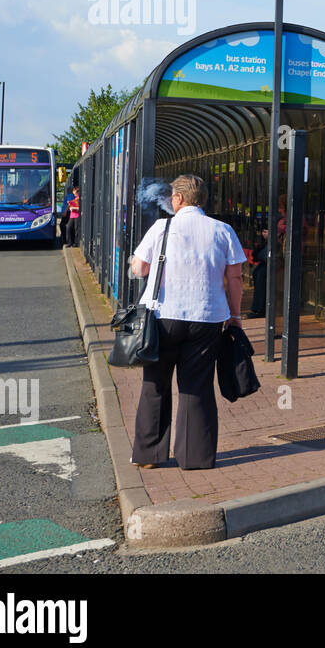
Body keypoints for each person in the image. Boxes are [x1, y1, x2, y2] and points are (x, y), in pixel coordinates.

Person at [128, 174, 246, 471]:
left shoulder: (161, 227)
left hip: (162, 316)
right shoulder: (223, 230)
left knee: (155, 384)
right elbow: (235, 278)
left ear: (178, 199)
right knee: (197, 387)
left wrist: (134, 262)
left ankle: (149, 456)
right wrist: (235, 316)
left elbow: (140, 269)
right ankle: (195, 457)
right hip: (206, 317)